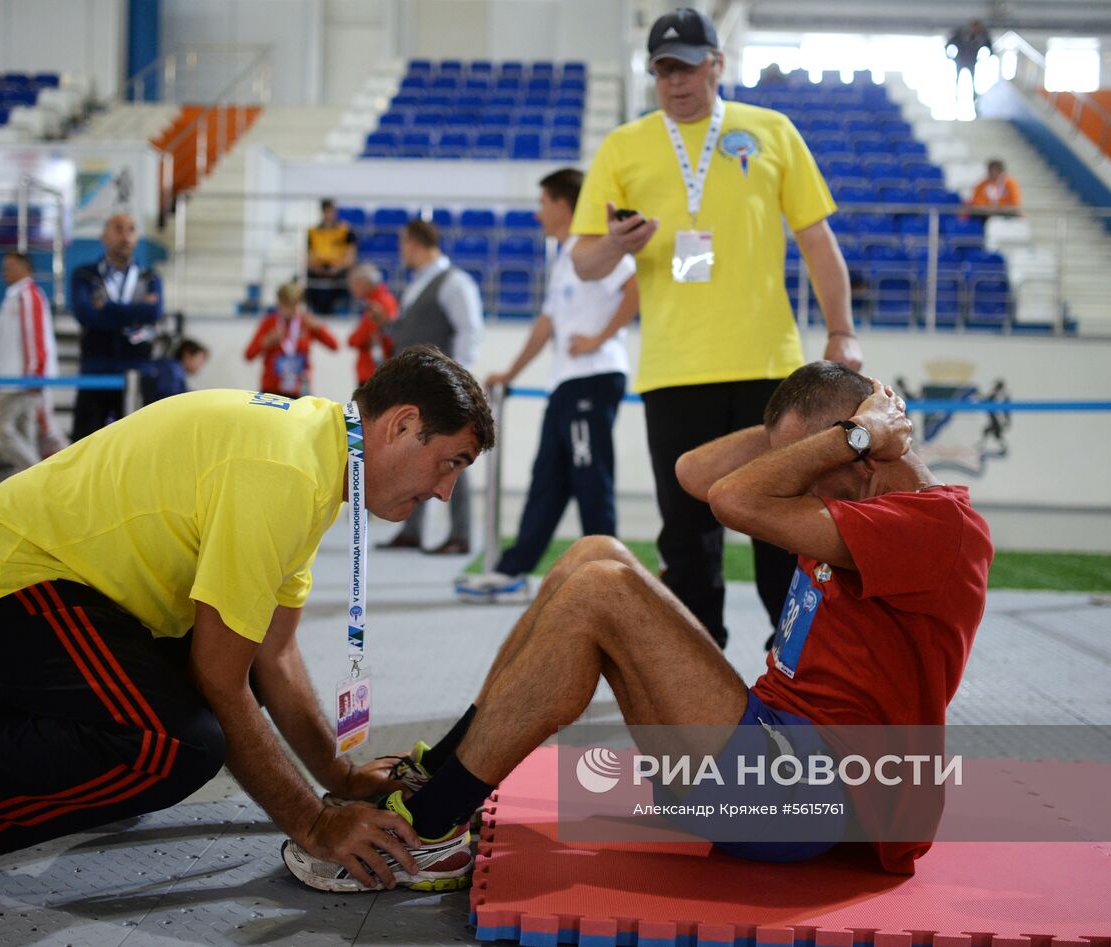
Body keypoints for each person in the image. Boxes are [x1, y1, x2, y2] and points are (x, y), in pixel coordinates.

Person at [281, 361, 993, 892]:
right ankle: (439, 770)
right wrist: (836, 430)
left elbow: (730, 498)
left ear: (868, 461)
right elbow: (693, 470)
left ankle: (431, 826)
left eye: (820, 467)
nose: (800, 486)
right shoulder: (859, 489)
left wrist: (856, 433)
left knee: (603, 590)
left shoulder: (937, 526)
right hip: (770, 754)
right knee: (597, 554)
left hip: (812, 795)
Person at [0, 345, 495, 888]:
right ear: (404, 424)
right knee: (171, 750)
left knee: (218, 672)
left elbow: (273, 655)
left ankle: (10, 706)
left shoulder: (315, 451)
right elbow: (222, 683)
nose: (445, 492)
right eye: (451, 463)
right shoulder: (283, 472)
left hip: (76, 592)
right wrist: (314, 823)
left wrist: (339, 775)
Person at [569, 7, 863, 649]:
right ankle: (698, 670)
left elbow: (816, 239)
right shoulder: (624, 146)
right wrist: (617, 243)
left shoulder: (772, 131)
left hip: (770, 369)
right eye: (663, 69)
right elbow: (584, 262)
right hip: (674, 369)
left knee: (782, 523)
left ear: (718, 64)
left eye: (689, 65)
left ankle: (796, 665)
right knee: (685, 532)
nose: (677, 81)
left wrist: (841, 331)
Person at [458, 168, 638, 602]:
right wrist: (511, 372)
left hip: (593, 379)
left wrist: (600, 337)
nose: (538, 212)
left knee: (590, 478)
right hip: (567, 384)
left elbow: (635, 287)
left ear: (563, 204)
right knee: (548, 480)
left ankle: (611, 579)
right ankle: (513, 571)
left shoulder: (592, 249)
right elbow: (547, 323)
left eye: (542, 202)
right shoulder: (564, 257)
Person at [382, 220, 484, 556]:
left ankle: (461, 534)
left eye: (403, 244)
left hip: (441, 386)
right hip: (419, 385)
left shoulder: (454, 282)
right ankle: (412, 530)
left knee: (452, 457)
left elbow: (470, 332)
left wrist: (453, 378)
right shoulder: (419, 284)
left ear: (415, 243)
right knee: (418, 455)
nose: (401, 252)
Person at [70, 213, 164, 439]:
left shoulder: (149, 276)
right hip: (96, 370)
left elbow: (154, 312)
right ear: (104, 236)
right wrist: (135, 311)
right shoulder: (85, 275)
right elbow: (86, 315)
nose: (125, 236)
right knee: (86, 444)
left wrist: (107, 307)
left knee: (137, 445)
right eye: (118, 229)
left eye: (131, 230)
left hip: (136, 370)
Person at [0, 252, 67, 473]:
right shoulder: (13, 297)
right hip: (13, 379)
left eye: (11, 266)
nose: (5, 271)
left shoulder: (28, 295)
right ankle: (33, 492)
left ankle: (39, 479)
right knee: (27, 434)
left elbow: (35, 334)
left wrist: (35, 371)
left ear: (26, 268)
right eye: (4, 266)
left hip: (23, 381)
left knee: (2, 429)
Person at [245, 282, 340, 399]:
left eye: (295, 305)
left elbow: (335, 346)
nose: (291, 309)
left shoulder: (306, 322)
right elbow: (248, 355)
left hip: (299, 390)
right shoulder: (269, 323)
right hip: (271, 390)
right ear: (279, 303)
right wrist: (266, 342)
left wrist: (319, 328)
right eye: (287, 305)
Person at [345, 264, 398, 385]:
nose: (351, 288)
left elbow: (357, 339)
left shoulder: (378, 304)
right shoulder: (380, 300)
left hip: (374, 372)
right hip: (375, 371)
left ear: (364, 282)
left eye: (353, 283)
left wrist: (353, 339)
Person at [305, 199, 358, 315]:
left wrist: (337, 267)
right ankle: (317, 311)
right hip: (318, 268)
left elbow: (351, 257)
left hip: (339, 268)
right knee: (309, 279)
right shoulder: (313, 231)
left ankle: (330, 311)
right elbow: (308, 257)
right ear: (322, 212)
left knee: (340, 280)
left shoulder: (345, 230)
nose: (329, 215)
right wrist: (317, 268)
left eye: (331, 211)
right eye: (326, 211)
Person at [141, 338, 209, 404]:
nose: (199, 367)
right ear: (187, 354)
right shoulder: (173, 370)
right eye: (200, 362)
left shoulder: (172, 367)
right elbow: (170, 398)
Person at [946, 20, 993, 101]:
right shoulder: (961, 35)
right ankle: (956, 97)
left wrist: (984, 57)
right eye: (974, 27)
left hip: (972, 61)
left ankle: (973, 98)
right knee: (958, 79)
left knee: (972, 80)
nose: (975, 29)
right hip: (960, 60)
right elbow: (949, 44)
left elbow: (989, 48)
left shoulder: (981, 37)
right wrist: (950, 56)